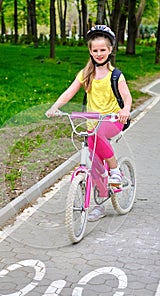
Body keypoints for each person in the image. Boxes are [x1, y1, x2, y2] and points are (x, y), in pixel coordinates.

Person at [46, 24, 132, 221]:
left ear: (110, 50)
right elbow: (70, 91)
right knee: (94, 164)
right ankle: (101, 203)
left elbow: (127, 97)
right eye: (95, 50)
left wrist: (125, 110)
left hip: (112, 120)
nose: (99, 53)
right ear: (90, 51)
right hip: (92, 123)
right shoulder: (86, 74)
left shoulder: (116, 75)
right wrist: (55, 107)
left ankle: (116, 171)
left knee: (99, 134)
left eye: (103, 50)